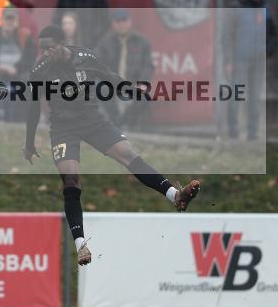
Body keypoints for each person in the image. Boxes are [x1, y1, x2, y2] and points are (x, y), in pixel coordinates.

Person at [23, 25, 200, 266]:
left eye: (50, 47)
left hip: (92, 120)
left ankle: (175, 196)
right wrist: (29, 143)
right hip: (63, 129)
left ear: (63, 42)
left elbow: (110, 78)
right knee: (71, 180)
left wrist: (132, 90)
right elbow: (33, 108)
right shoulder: (40, 71)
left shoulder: (86, 57)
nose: (46, 52)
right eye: (42, 48)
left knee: (129, 154)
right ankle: (81, 245)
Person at [224, 0, 276, 140]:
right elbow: (227, 35)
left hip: (258, 61)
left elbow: (273, 33)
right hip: (239, 61)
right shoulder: (236, 8)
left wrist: (268, 51)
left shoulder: (265, 8)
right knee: (236, 95)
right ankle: (233, 131)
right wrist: (228, 60)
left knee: (255, 97)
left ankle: (252, 133)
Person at [95, 9, 155, 129]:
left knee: (143, 96)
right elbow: (97, 64)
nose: (121, 24)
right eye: (118, 21)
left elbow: (148, 66)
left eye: (124, 21)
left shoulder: (142, 42)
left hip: (133, 83)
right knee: (100, 88)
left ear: (129, 22)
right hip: (112, 84)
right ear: (113, 24)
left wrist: (142, 83)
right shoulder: (105, 43)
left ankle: (130, 124)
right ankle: (117, 122)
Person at [0, 6, 37, 121]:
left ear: (17, 21)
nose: (9, 22)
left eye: (12, 19)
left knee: (28, 79)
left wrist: (16, 69)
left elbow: (31, 58)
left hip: (18, 72)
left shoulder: (25, 35)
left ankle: (24, 118)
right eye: (7, 19)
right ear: (2, 19)